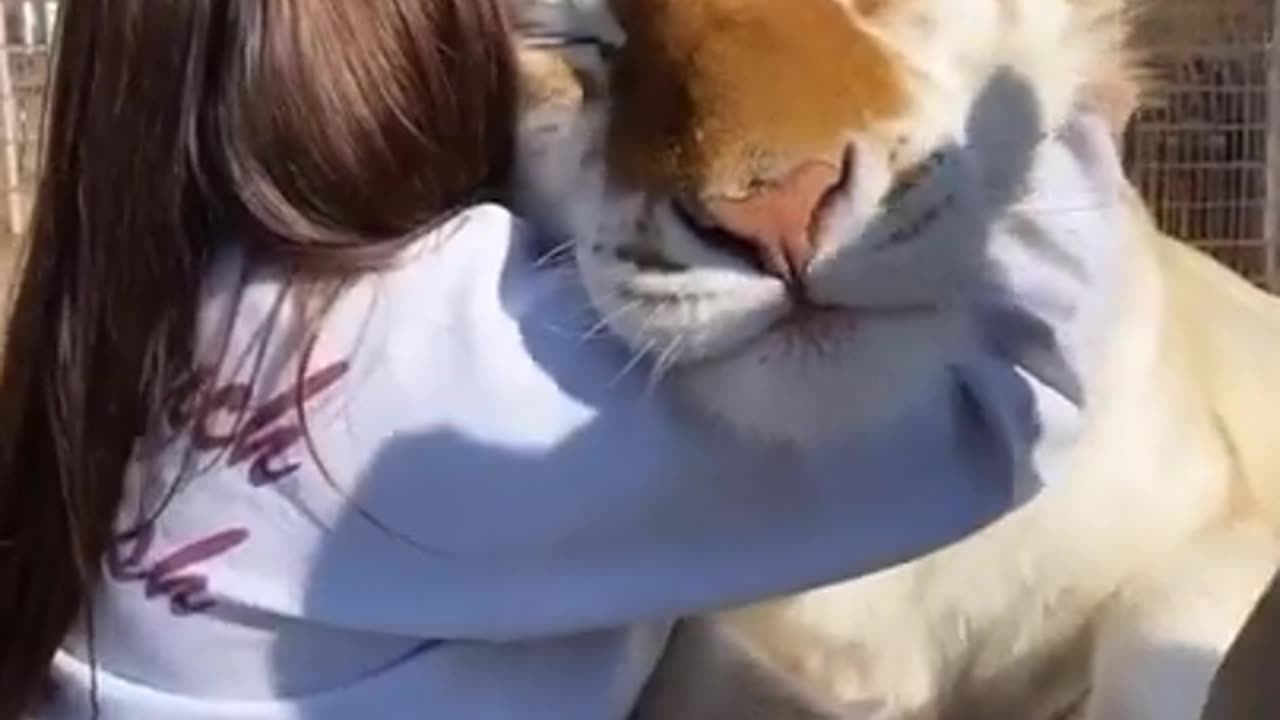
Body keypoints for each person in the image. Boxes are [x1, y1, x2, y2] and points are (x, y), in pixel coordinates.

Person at [0, 1, 1132, 719]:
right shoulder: (450, 354)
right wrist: (1048, 84)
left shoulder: (161, 317)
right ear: (414, 57)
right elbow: (1012, 390)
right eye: (561, 39)